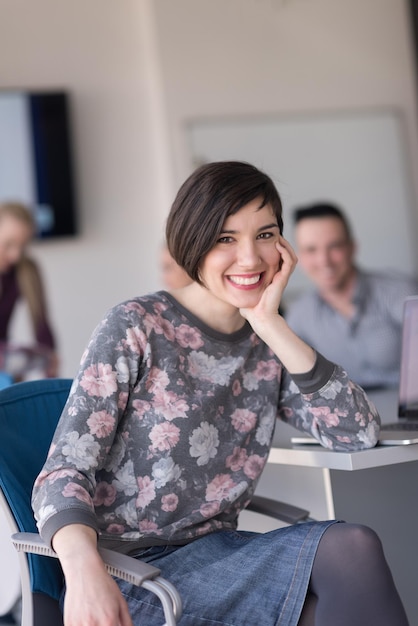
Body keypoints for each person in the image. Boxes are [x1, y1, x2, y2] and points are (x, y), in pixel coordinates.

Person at [32, 162, 407, 626]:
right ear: (193, 243)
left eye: (265, 234)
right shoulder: (135, 326)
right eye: (225, 239)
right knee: (344, 567)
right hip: (129, 572)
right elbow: (62, 473)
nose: (250, 259)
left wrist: (269, 324)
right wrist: (86, 572)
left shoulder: (266, 342)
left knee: (353, 550)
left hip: (220, 557)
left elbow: (356, 434)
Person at [285, 202, 418, 390]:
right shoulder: (299, 316)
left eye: (334, 246)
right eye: (311, 250)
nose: (324, 260)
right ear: (299, 257)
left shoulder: (400, 291)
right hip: (349, 414)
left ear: (352, 247)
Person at [0, 201, 58, 381]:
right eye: (8, 244)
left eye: (22, 246)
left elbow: (41, 322)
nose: (15, 255)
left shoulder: (26, 271)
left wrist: (50, 358)